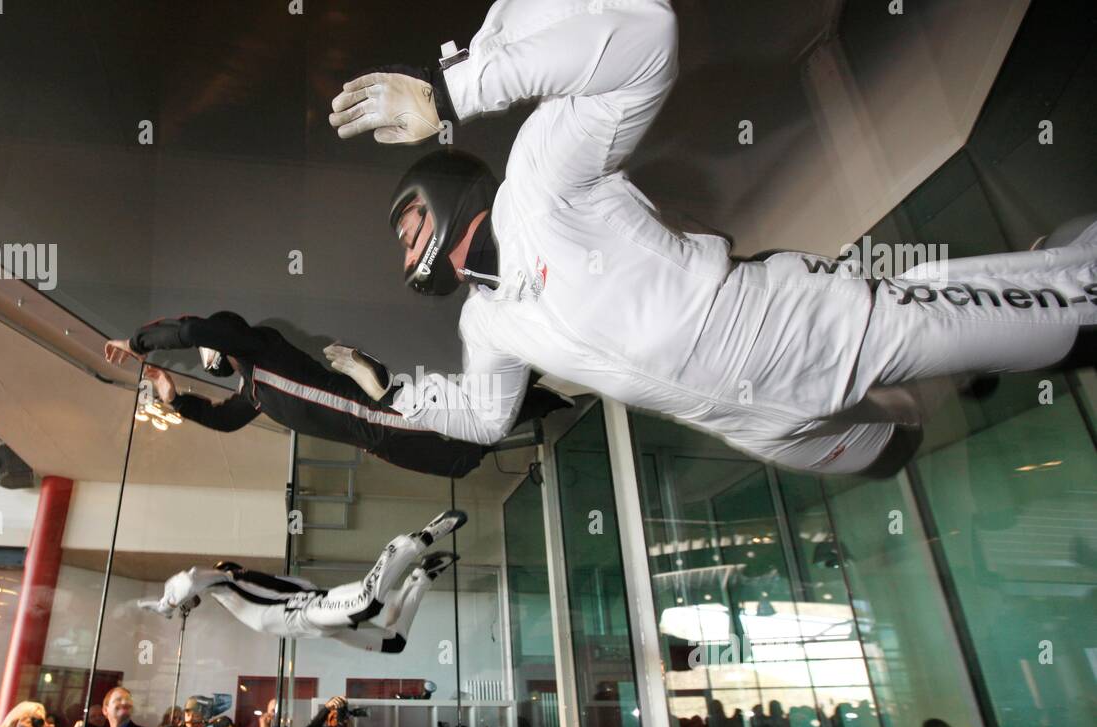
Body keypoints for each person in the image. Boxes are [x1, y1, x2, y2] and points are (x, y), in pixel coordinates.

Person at [323, 0, 1097, 477]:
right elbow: (487, 419)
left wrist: (451, 86)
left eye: (408, 225)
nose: (407, 252)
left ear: (447, 189)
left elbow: (647, 38)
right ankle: (966, 360)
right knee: (894, 450)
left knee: (1066, 321)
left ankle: (1059, 278)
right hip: (754, 425)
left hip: (789, 332)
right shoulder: (485, 323)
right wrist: (396, 392)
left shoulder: (539, 175)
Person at [104, 312, 569, 480]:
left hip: (379, 413)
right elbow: (224, 420)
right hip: (375, 439)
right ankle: (541, 392)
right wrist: (173, 398)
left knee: (468, 431)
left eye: (211, 348)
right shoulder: (254, 392)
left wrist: (137, 343)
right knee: (460, 462)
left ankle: (551, 384)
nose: (208, 355)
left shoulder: (259, 347)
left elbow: (193, 330)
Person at [141, 509, 466, 654]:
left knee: (368, 605)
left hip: (310, 613)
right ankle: (423, 575)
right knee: (394, 643)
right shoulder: (240, 589)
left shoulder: (226, 581)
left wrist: (167, 603)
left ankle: (417, 540)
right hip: (320, 626)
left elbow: (193, 579)